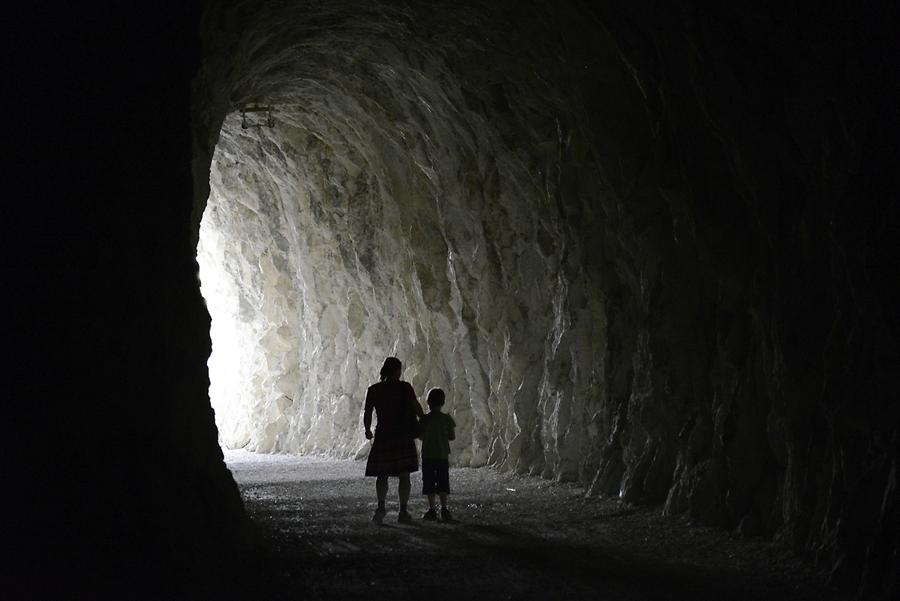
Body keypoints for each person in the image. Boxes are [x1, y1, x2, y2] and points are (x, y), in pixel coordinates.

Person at [363, 357, 424, 524]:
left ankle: (381, 507)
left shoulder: (374, 390)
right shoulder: (405, 388)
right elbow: (415, 406)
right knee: (404, 475)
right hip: (403, 435)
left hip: (383, 435)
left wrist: (367, 429)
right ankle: (402, 511)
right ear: (397, 370)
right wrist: (424, 421)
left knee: (382, 474)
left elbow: (368, 412)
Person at [418, 388, 456, 522]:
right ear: (443, 402)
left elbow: (420, 436)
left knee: (429, 482)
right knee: (443, 481)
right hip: (442, 455)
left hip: (428, 455)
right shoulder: (447, 419)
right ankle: (444, 509)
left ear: (428, 402)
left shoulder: (425, 419)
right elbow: (452, 437)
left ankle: (432, 509)